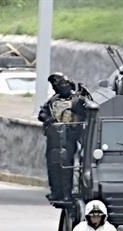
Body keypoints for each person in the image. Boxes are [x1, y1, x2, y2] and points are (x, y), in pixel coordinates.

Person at [38, 73, 90, 204]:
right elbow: (42, 112)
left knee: (66, 166)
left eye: (60, 84)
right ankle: (56, 192)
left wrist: (84, 96)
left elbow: (87, 111)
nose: (57, 87)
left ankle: (67, 193)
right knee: (53, 166)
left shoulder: (76, 100)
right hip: (53, 137)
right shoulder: (53, 100)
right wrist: (47, 118)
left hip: (68, 138)